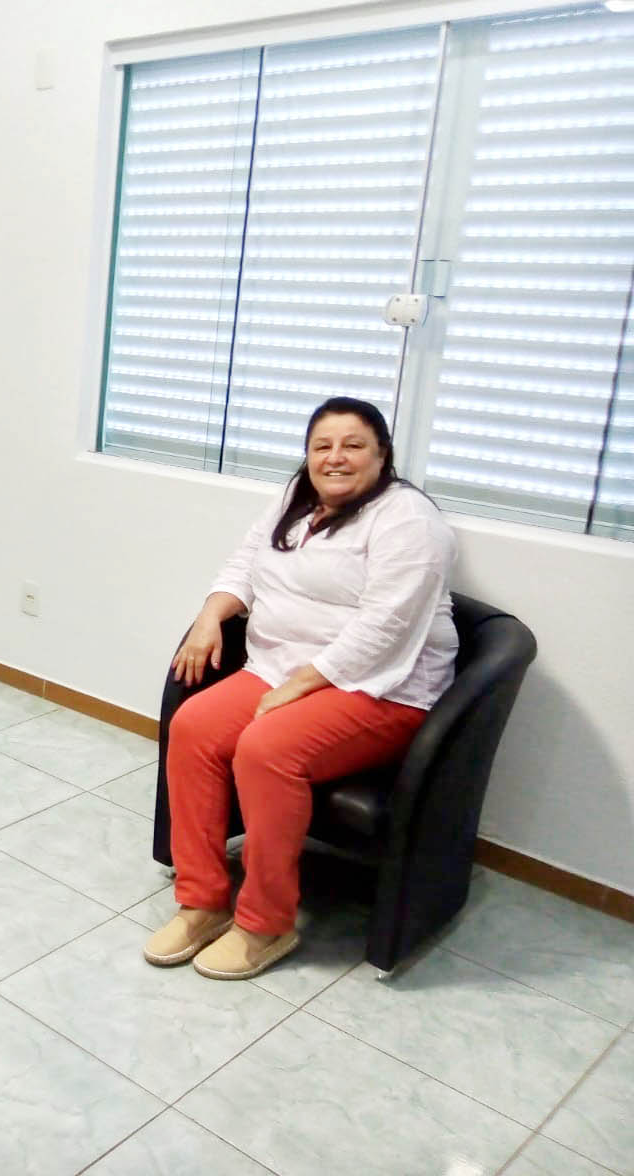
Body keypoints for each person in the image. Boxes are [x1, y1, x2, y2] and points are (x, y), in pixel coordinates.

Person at [146, 396, 458, 979]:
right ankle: (203, 900)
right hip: (280, 669)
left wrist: (304, 685)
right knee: (193, 727)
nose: (335, 457)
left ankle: (267, 923)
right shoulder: (296, 496)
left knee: (267, 748)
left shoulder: (410, 520)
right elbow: (244, 563)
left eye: (353, 445)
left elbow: (386, 627)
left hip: (381, 687)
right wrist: (210, 616)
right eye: (322, 446)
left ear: (383, 455)